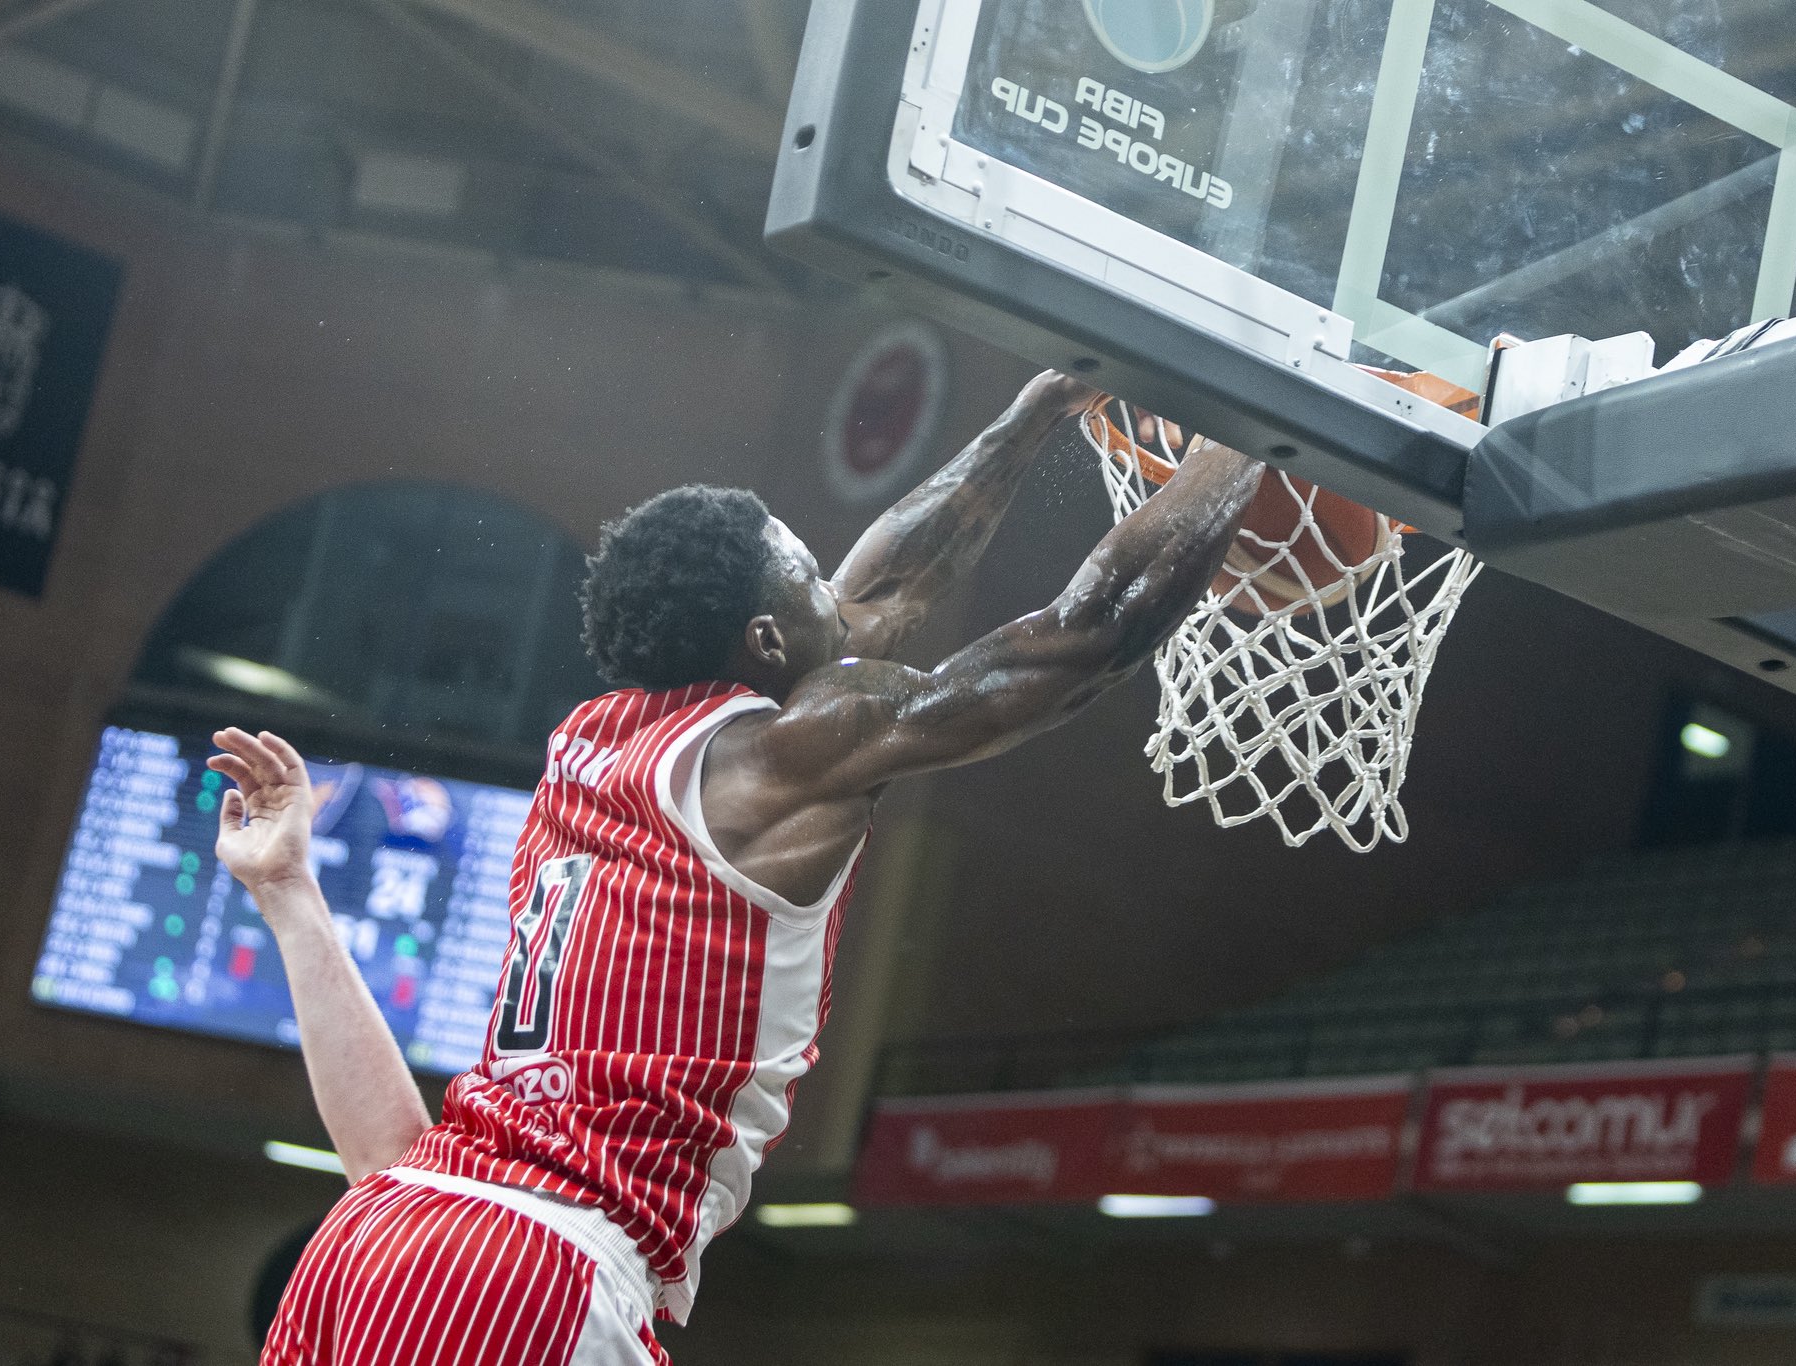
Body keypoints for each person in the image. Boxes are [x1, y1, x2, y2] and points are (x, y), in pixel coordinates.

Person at [213, 370, 1260, 1364]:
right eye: (807, 577)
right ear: (762, 639)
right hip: (538, 1272)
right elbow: (1086, 638)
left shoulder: (590, 745)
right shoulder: (781, 761)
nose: (835, 593)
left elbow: (882, 590)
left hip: (375, 1237)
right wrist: (1259, 436)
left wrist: (1033, 413)